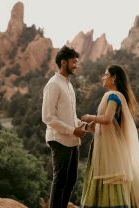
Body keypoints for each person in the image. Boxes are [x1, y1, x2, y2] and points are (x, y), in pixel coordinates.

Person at [80, 65, 139, 208]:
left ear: (113, 78)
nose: (103, 77)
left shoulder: (113, 96)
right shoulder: (116, 96)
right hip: (108, 148)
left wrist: (90, 117)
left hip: (109, 151)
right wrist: (83, 127)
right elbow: (102, 126)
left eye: (105, 74)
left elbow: (107, 119)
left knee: (110, 181)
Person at [42, 45, 87, 208]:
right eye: (73, 62)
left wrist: (79, 124)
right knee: (60, 179)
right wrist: (72, 130)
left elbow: (69, 114)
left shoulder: (68, 84)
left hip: (72, 139)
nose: (76, 65)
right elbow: (47, 117)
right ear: (63, 62)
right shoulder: (53, 84)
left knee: (71, 179)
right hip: (59, 139)